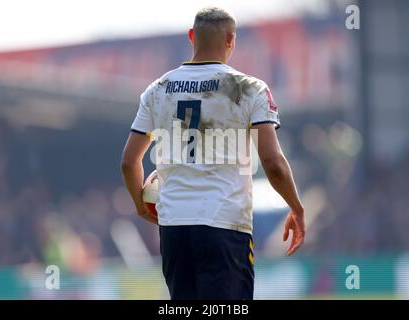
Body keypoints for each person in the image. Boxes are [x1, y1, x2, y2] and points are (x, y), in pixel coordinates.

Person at [121, 6, 305, 300]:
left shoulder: (158, 89)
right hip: (224, 225)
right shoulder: (249, 89)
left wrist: (141, 206)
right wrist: (296, 207)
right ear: (231, 40)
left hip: (174, 230)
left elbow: (129, 162)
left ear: (192, 36)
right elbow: (272, 162)